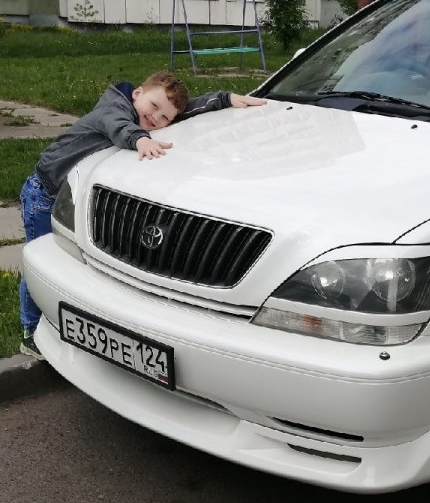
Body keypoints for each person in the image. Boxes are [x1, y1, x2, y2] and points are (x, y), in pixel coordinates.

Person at [18, 72, 265, 357]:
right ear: (137, 94)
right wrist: (140, 140)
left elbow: (187, 109)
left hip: (71, 195)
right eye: (154, 106)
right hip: (44, 192)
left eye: (165, 118)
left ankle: (66, 324)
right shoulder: (114, 107)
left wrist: (225, 99)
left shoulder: (145, 112)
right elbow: (118, 125)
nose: (156, 118)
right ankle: (30, 331)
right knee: (42, 258)